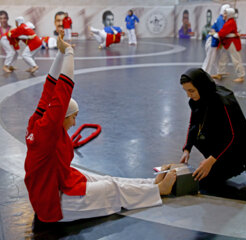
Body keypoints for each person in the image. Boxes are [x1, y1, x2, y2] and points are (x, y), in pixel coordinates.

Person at [24, 31, 177, 223]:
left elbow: (50, 86)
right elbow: (63, 88)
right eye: (73, 117)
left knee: (106, 180)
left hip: (58, 180)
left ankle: (150, 184)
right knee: (109, 189)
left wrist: (61, 53)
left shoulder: (36, 121)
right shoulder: (49, 130)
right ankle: (157, 191)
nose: (75, 123)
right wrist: (70, 52)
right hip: (54, 201)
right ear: (62, 117)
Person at [179, 68, 246, 189]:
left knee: (208, 180)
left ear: (201, 86)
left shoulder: (222, 102)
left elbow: (233, 136)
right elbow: (194, 124)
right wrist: (187, 149)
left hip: (239, 145)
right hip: (221, 140)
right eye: (186, 91)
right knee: (198, 138)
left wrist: (211, 160)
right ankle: (220, 163)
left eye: (191, 91)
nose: (188, 95)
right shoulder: (196, 101)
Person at [212, 8, 245, 82]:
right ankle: (220, 73)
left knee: (236, 59)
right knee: (223, 58)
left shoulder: (230, 22)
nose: (224, 15)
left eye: (225, 13)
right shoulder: (228, 21)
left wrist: (215, 34)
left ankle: (241, 76)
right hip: (227, 42)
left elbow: (222, 33)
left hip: (232, 43)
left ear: (230, 15)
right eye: (224, 13)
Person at [202, 4, 230, 78]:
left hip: (215, 41)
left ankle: (219, 73)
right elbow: (221, 34)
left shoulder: (224, 20)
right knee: (210, 59)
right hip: (212, 41)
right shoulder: (221, 20)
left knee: (217, 58)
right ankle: (203, 74)